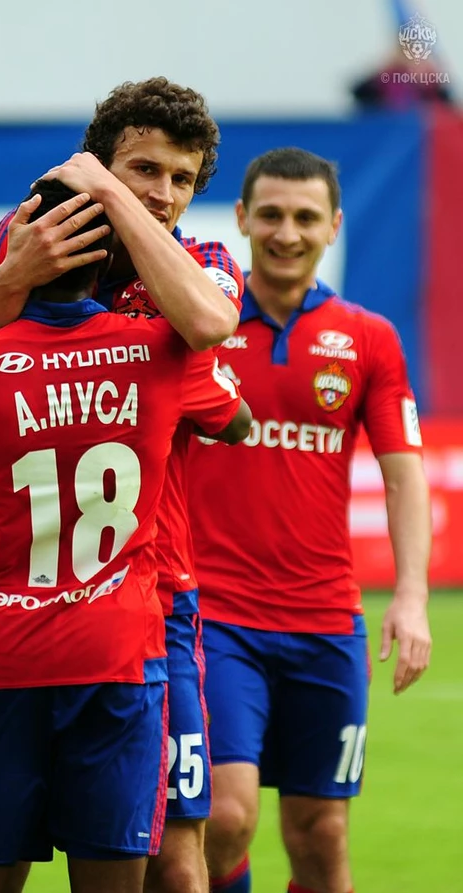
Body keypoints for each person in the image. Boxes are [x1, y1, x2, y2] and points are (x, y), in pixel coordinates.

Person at [0, 178, 251, 893]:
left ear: (17, 250)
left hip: (3, 661)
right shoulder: (159, 351)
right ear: (108, 260)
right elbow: (236, 423)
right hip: (119, 656)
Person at [186, 147, 433, 893]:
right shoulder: (199, 326)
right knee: (226, 815)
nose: (286, 233)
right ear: (241, 219)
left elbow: (403, 476)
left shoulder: (369, 338)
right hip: (214, 617)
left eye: (304, 217)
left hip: (325, 622)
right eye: (270, 215)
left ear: (334, 226)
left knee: (320, 834)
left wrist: (412, 596)